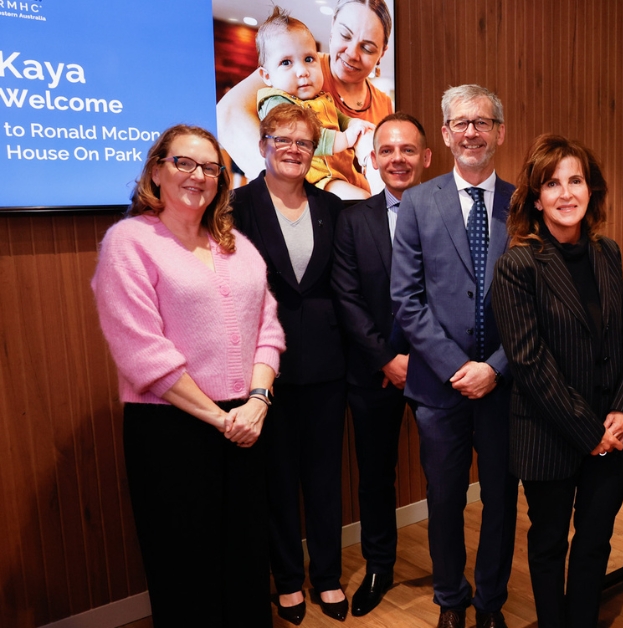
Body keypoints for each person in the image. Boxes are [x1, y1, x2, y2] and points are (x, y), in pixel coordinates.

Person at [91, 124, 285, 626]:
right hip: (171, 430)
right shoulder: (128, 242)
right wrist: (220, 420)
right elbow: (143, 354)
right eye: (184, 163)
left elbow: (269, 328)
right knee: (184, 568)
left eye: (211, 167)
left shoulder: (237, 246)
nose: (198, 175)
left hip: (247, 422)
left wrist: (258, 402)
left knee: (245, 561)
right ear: (157, 170)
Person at [492, 135, 623, 628]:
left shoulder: (607, 251)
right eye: (552, 184)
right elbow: (530, 364)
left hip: (612, 429)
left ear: (590, 188)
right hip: (550, 432)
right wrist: (588, 430)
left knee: (596, 538)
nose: (565, 193)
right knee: (550, 540)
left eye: (575, 180)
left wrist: (622, 409)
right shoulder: (518, 265)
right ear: (536, 198)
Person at [391, 84, 519, 628]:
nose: (472, 132)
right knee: (443, 501)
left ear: (499, 133)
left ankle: (490, 602)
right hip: (438, 390)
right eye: (461, 123)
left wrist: (496, 366)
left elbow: (536, 302)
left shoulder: (524, 202)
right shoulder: (419, 202)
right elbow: (406, 298)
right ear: (443, 135)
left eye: (482, 122)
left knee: (501, 504)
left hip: (507, 386)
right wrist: (456, 367)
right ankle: (450, 598)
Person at [231, 104, 348, 624]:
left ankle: (326, 575)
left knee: (325, 477)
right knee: (277, 478)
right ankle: (286, 580)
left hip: (327, 361)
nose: (294, 149)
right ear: (262, 145)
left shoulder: (331, 207)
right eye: (283, 139)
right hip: (262, 365)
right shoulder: (235, 205)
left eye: (304, 142)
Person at [331, 111, 432, 617]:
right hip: (373, 373)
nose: (398, 159)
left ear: (426, 158)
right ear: (373, 159)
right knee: (375, 477)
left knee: (446, 474)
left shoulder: (446, 216)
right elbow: (345, 297)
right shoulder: (353, 220)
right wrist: (388, 359)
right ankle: (379, 566)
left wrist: (425, 357)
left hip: (437, 370)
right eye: (387, 150)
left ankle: (451, 569)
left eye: (408, 150)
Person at [218, 0, 394, 195]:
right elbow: (227, 114)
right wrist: (291, 188)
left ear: (382, 53)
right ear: (332, 27)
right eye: (345, 35)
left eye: (368, 48)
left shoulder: (382, 103)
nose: (352, 54)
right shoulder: (293, 72)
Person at [254, 6, 375, 199]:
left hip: (343, 174)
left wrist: (352, 124)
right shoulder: (276, 103)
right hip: (316, 180)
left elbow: (340, 117)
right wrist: (344, 139)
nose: (302, 71)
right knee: (362, 201)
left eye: (309, 59)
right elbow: (298, 138)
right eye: (286, 62)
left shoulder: (321, 97)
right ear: (266, 76)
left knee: (377, 196)